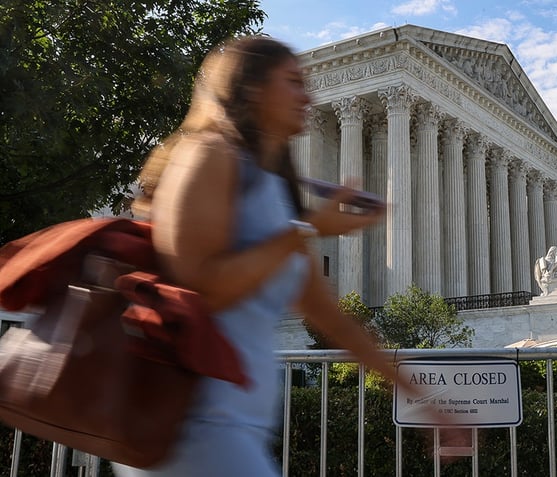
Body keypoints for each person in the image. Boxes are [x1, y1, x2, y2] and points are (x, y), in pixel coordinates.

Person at [113, 35, 433, 477]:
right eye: (293, 82)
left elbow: (334, 321)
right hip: (193, 424)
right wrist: (310, 229)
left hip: (235, 426)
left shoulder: (273, 194)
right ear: (251, 89)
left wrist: (422, 399)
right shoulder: (207, 155)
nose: (309, 95)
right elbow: (198, 288)